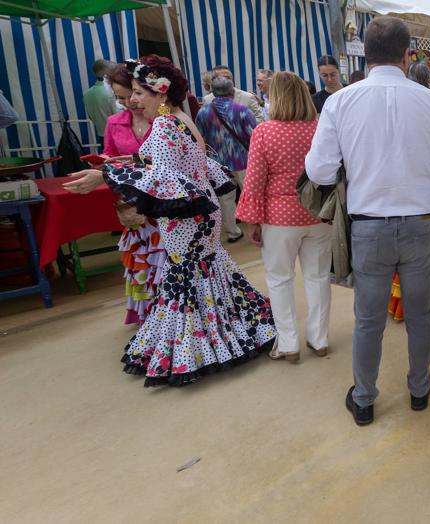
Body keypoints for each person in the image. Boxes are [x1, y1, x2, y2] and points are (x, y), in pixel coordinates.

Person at [63, 55, 276, 387]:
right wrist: (121, 165)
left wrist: (102, 175)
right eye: (131, 93)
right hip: (200, 212)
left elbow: (160, 174)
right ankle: (232, 332)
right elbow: (167, 163)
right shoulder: (179, 118)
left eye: (138, 92)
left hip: (186, 219)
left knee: (186, 278)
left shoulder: (163, 125)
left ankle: (199, 350)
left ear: (161, 93)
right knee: (208, 271)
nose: (132, 100)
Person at [305, 16, 430, 425]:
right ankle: (418, 388)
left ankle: (364, 398)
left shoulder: (341, 101)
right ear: (407, 53)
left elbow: (320, 172)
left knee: (369, 319)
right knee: (420, 315)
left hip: (369, 226)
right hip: (421, 222)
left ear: (366, 53)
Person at [236, 72, 331, 362]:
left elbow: (253, 181)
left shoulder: (265, 132)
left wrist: (251, 220)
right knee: (318, 277)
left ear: (274, 97)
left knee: (280, 280)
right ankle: (319, 337)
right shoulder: (320, 128)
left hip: (279, 218)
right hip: (318, 214)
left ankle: (289, 343)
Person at [388, 60, 430, 322]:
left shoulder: (384, 105)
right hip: (424, 196)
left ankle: (399, 304)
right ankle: (420, 303)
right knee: (420, 258)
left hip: (386, 200)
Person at [101, 63, 166, 326]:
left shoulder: (165, 119)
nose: (128, 102)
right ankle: (149, 317)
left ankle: (171, 315)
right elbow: (108, 154)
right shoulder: (114, 122)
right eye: (120, 97)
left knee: (166, 263)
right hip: (133, 206)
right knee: (143, 262)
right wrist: (104, 163)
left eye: (132, 94)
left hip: (163, 205)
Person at [196, 76, 257, 243]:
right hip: (244, 159)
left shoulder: (203, 112)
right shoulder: (242, 109)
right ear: (232, 91)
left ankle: (233, 232)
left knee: (225, 198)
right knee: (250, 193)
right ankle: (258, 226)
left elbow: (199, 137)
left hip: (218, 162)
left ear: (212, 92)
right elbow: (255, 134)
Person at [83, 59, 120, 146]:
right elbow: (119, 116)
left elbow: (91, 116)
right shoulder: (111, 92)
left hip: (102, 135)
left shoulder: (87, 93)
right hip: (117, 134)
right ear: (107, 74)